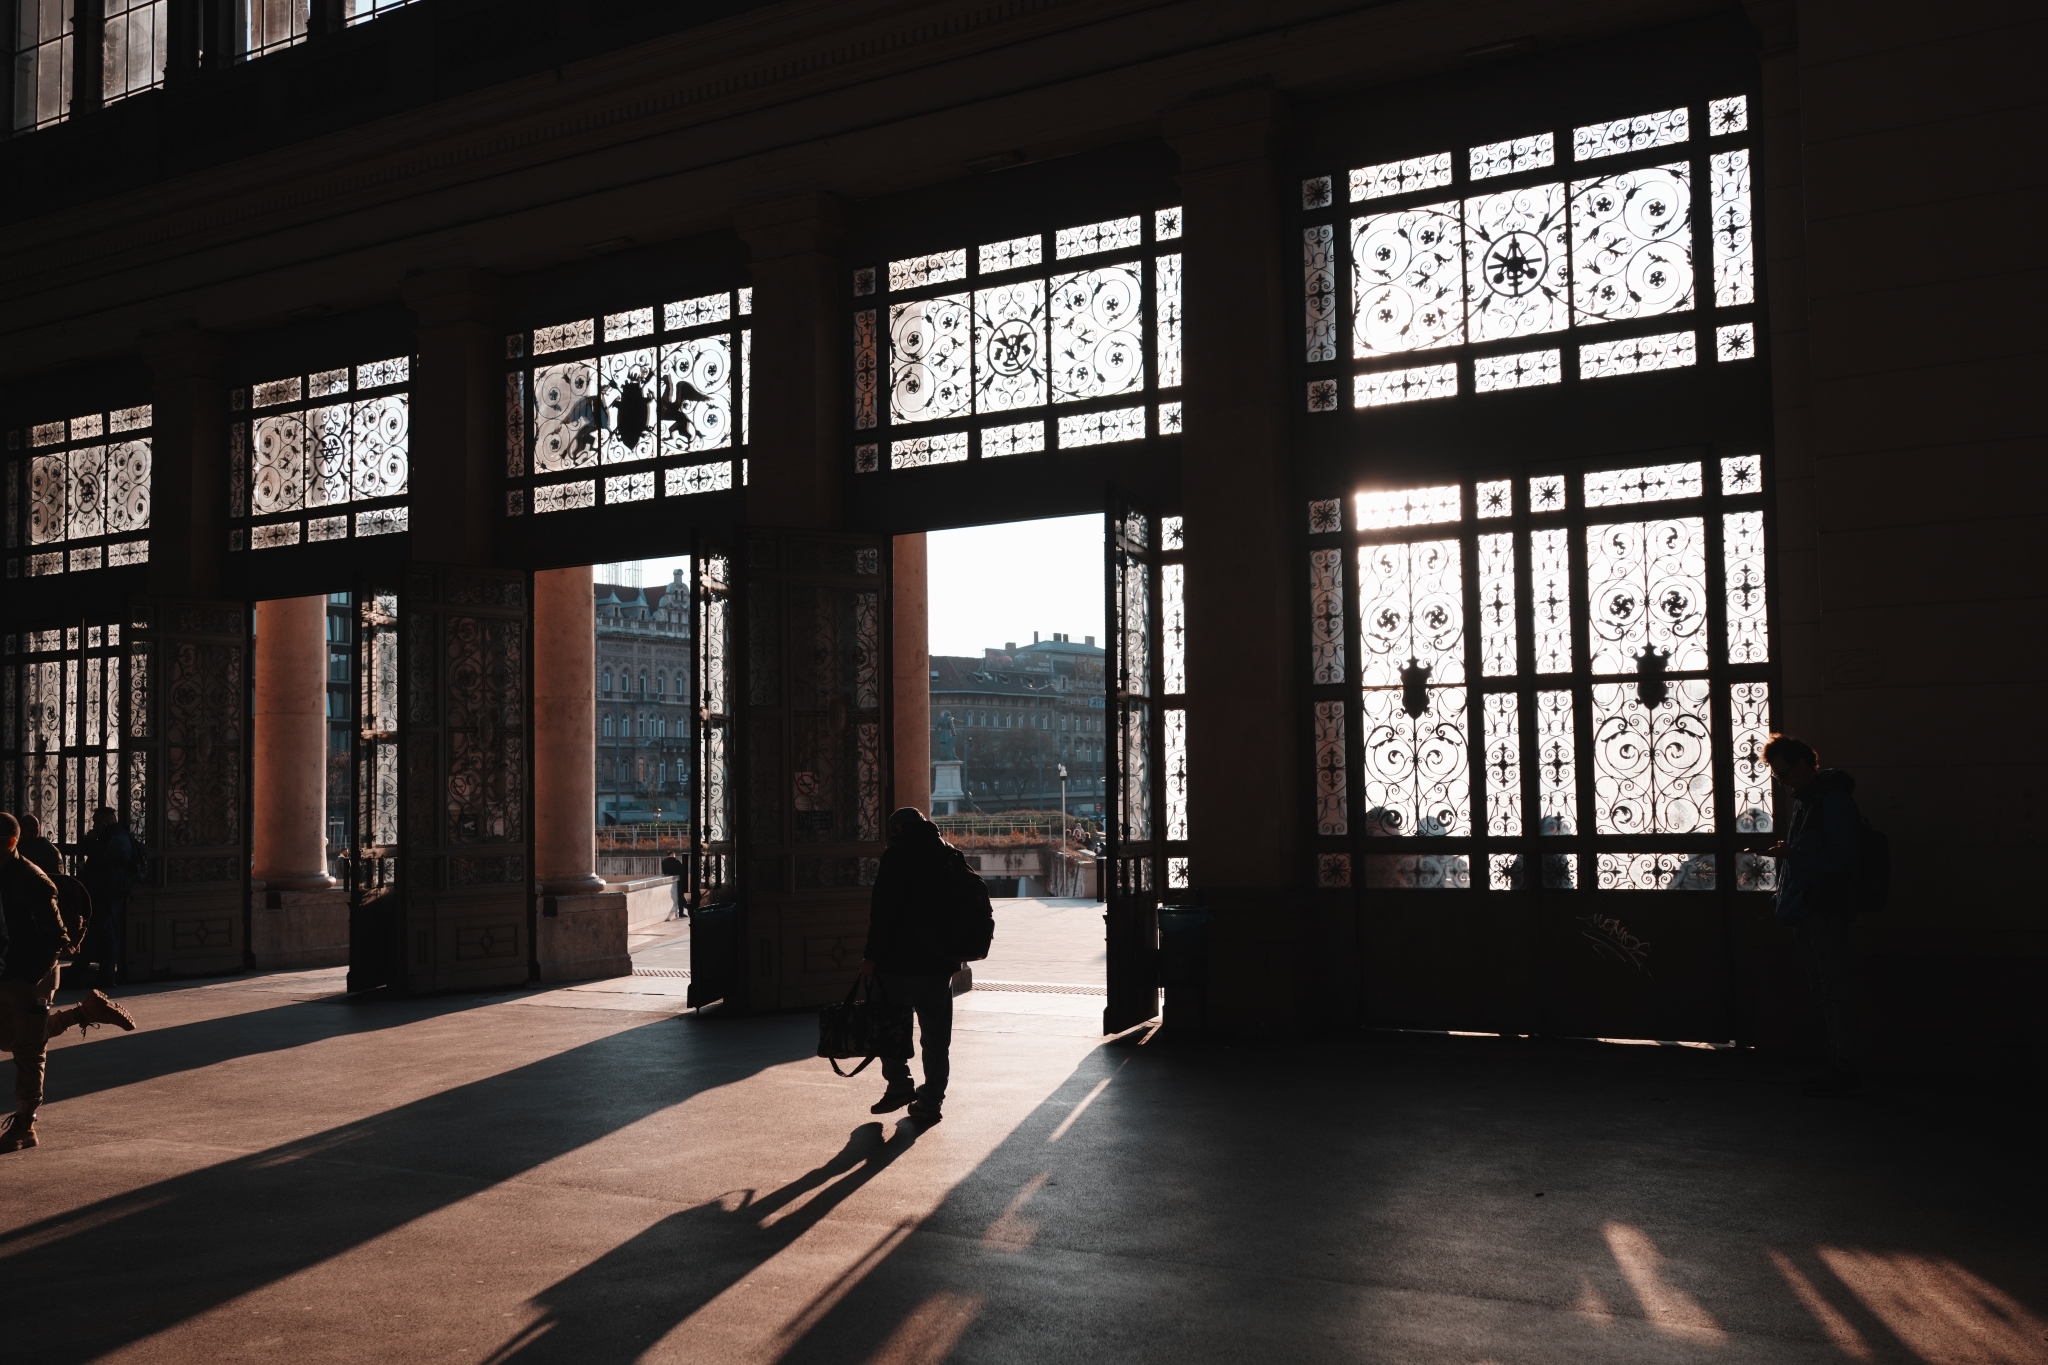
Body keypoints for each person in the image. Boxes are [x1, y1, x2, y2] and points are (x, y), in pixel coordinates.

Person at [0, 812, 136, 1152]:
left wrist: (29, 980)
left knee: (29, 1051)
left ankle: (25, 1124)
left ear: (10, 842)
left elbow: (57, 937)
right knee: (9, 1038)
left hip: (30, 975)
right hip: (6, 972)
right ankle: (84, 1012)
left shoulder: (32, 879)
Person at [1761, 734, 1862, 1096]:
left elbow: (1841, 856)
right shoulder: (1809, 800)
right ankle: (1838, 1065)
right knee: (1827, 988)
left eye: (1783, 774)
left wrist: (1793, 858)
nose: (1781, 781)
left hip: (1823, 907)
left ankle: (1844, 1067)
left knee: (1833, 988)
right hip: (1808, 907)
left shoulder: (1831, 801)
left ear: (1803, 765)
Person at [859, 807, 969, 1123]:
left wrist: (871, 958)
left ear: (897, 831)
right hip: (939, 965)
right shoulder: (950, 854)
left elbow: (883, 916)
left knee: (887, 1026)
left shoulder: (896, 858)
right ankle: (930, 1102)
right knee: (936, 1039)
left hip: (898, 963)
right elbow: (963, 909)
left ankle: (899, 1086)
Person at [76, 807, 137, 989]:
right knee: (106, 932)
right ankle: (106, 975)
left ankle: (80, 972)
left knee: (96, 931)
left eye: (96, 820)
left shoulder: (113, 837)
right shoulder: (117, 836)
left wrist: (89, 839)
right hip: (109, 890)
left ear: (104, 819)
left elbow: (97, 855)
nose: (94, 823)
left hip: (107, 891)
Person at [16, 812, 62, 881]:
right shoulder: (16, 846)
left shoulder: (48, 848)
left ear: (39, 827)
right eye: (27, 825)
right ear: (20, 828)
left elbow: (56, 875)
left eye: (35, 825)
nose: (32, 828)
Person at [661, 848, 688, 919]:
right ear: (673, 855)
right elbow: (682, 871)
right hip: (678, 881)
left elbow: (664, 872)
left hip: (669, 881)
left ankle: (687, 906)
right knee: (680, 896)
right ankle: (683, 910)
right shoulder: (677, 862)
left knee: (677, 897)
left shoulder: (664, 862)